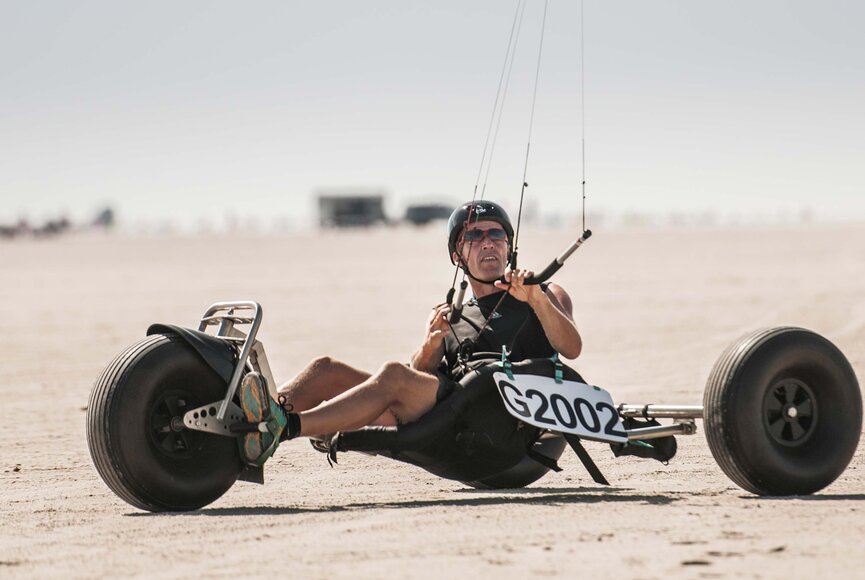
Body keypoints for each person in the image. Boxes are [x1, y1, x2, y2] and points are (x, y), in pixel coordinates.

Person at [238, 200, 582, 467]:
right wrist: (432, 343)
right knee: (326, 369)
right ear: (457, 255)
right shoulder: (454, 311)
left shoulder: (545, 293)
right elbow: (420, 375)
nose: (487, 243)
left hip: (505, 424)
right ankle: (247, 423)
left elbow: (571, 347)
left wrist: (536, 298)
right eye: (474, 236)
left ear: (508, 247)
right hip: (450, 415)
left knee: (392, 375)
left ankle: (284, 426)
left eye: (496, 235)